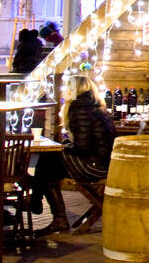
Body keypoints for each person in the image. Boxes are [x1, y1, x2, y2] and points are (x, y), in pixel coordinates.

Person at [32, 74, 116, 235]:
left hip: (93, 166)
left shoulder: (80, 109)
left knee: (47, 162)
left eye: (67, 88)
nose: (64, 92)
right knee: (49, 164)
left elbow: (82, 147)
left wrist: (65, 147)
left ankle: (49, 210)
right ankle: (42, 203)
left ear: (75, 90)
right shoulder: (97, 107)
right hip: (105, 163)